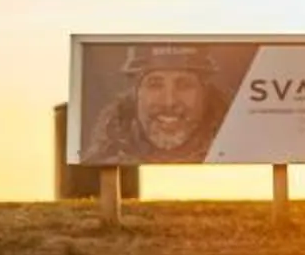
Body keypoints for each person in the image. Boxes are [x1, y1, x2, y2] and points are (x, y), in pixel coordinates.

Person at [78, 42, 233, 164]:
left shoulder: (236, 149)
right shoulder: (101, 158)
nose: (169, 101)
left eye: (184, 85)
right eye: (155, 85)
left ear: (204, 93)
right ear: (135, 95)